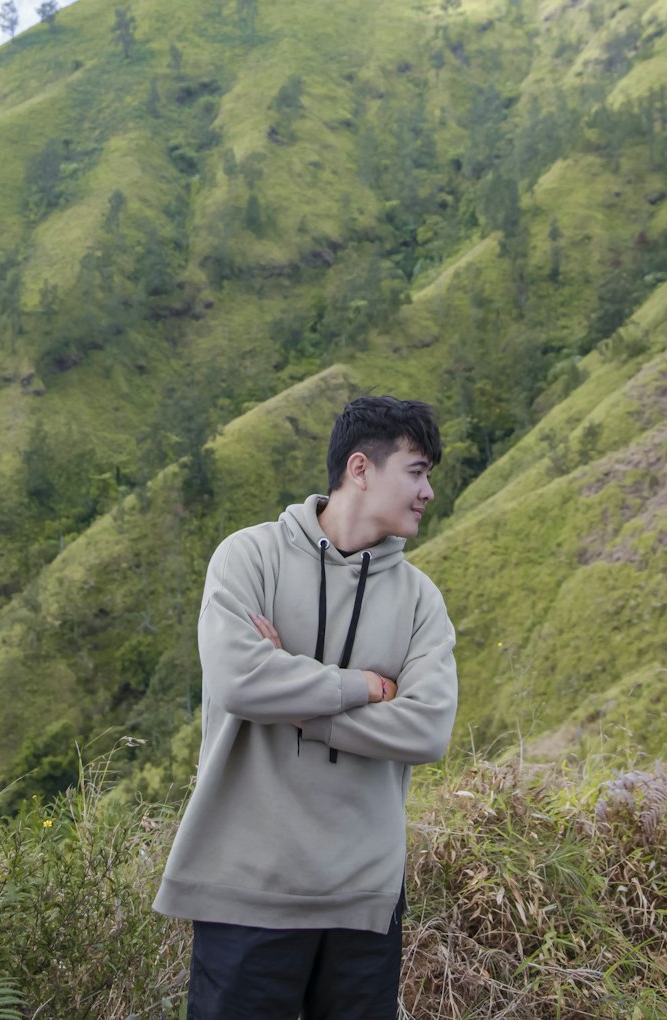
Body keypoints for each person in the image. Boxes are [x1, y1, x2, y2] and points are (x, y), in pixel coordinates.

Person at [153, 394, 458, 1020]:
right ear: (360, 468)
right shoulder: (249, 557)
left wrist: (296, 704)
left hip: (363, 898)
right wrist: (365, 686)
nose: (428, 492)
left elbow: (427, 729)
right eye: (417, 471)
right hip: (245, 890)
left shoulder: (421, 600)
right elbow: (240, 683)